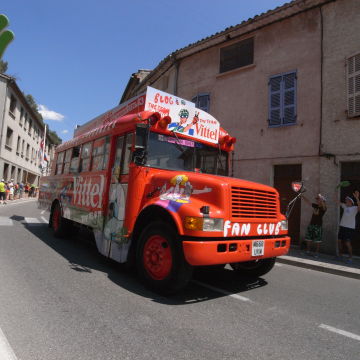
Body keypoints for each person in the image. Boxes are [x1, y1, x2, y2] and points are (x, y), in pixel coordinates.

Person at [335, 190, 360, 264]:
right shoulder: (345, 206)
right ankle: (340, 255)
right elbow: (336, 201)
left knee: (347, 243)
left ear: (351, 202)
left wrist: (357, 198)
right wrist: (335, 190)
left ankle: (350, 257)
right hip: (342, 227)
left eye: (347, 200)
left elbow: (359, 206)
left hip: (349, 228)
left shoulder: (355, 208)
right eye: (346, 200)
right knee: (339, 241)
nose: (346, 201)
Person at [303, 194, 327, 258]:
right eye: (317, 199)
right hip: (311, 224)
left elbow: (324, 207)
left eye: (318, 199)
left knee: (317, 240)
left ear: (322, 200)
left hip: (318, 225)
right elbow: (308, 202)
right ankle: (308, 251)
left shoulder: (323, 208)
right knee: (308, 238)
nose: (317, 200)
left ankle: (316, 253)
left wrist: (321, 199)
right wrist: (302, 195)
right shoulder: (315, 206)